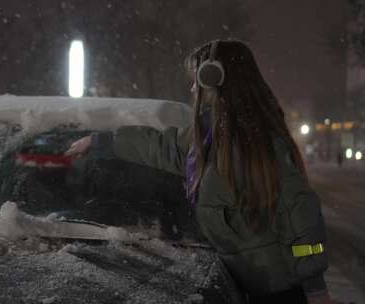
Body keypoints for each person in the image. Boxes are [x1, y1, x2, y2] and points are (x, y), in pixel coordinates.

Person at [65, 39, 331, 304]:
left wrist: (314, 287)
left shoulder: (263, 144)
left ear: (214, 79)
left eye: (196, 81)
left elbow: (300, 214)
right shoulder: (205, 139)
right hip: (237, 285)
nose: (193, 89)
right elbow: (160, 147)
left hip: (278, 290)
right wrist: (101, 142)